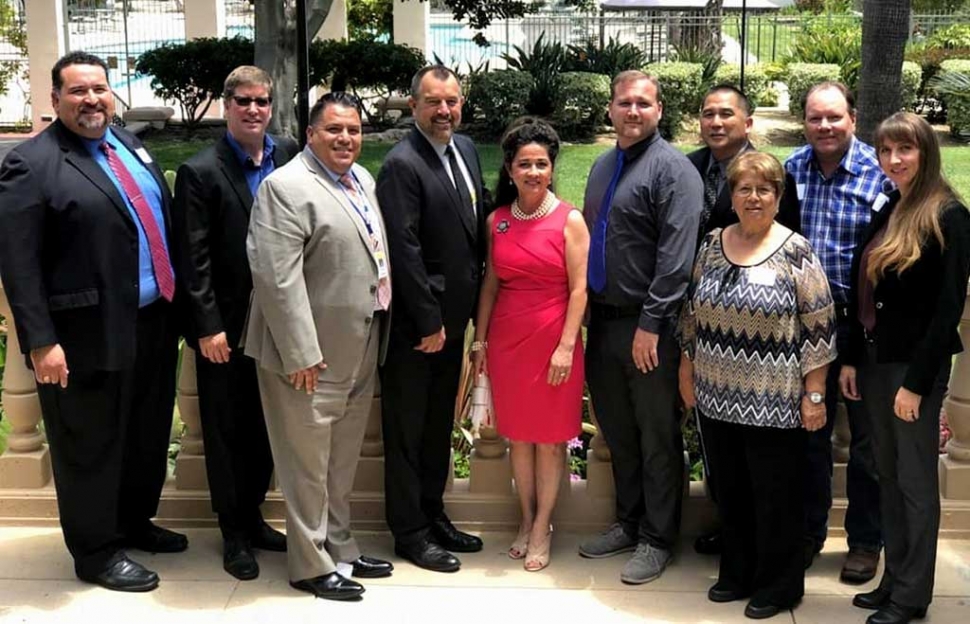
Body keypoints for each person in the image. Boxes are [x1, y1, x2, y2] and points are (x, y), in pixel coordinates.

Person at [0, 51, 185, 592]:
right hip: (83, 331)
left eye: (100, 89)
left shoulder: (128, 144)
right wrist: (40, 341)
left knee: (145, 434)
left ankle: (132, 522)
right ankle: (97, 551)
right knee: (90, 441)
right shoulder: (30, 164)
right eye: (77, 91)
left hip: (151, 319)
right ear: (54, 99)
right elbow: (18, 262)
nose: (92, 100)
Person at [243, 92, 394, 601]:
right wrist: (300, 352)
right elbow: (275, 278)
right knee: (305, 462)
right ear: (310, 134)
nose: (346, 139)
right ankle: (309, 563)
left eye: (353, 130)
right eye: (333, 130)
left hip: (359, 341)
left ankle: (340, 545)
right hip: (308, 355)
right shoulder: (284, 188)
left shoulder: (362, 179)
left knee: (340, 459)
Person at [679, 151, 836, 620]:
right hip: (715, 395)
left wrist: (814, 394)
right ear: (732, 194)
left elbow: (820, 330)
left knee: (776, 496)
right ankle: (737, 571)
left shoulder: (796, 251)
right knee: (729, 490)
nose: (753, 198)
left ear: (778, 196)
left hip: (775, 399)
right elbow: (691, 315)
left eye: (763, 190)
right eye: (744, 189)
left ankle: (779, 585)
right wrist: (687, 370)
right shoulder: (711, 244)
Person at [840, 112, 970, 624]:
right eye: (886, 151)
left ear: (926, 153)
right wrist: (853, 355)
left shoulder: (949, 216)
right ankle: (894, 580)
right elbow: (864, 287)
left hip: (911, 371)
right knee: (886, 476)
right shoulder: (892, 204)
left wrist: (916, 385)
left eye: (905, 150)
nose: (894, 160)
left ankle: (913, 595)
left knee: (914, 483)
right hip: (875, 363)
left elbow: (946, 313)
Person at [172, 65, 298, 580]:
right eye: (243, 101)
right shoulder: (201, 172)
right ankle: (234, 534)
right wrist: (207, 326)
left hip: (282, 324)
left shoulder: (288, 155)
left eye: (262, 101)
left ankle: (256, 516)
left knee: (269, 426)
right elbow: (192, 257)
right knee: (227, 430)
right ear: (226, 106)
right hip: (226, 327)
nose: (253, 110)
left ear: (272, 106)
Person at [579, 70, 703, 584]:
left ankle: (657, 537)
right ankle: (628, 522)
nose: (633, 112)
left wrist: (652, 325)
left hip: (646, 327)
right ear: (610, 109)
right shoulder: (604, 165)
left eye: (644, 104)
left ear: (659, 111)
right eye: (624, 103)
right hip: (603, 322)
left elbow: (676, 260)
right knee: (619, 432)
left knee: (655, 435)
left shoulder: (674, 172)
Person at [376, 65, 487, 573]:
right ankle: (409, 531)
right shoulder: (402, 164)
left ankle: (433, 512)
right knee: (408, 430)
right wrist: (427, 322)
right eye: (433, 102)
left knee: (437, 425)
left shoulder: (462, 150)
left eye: (452, 101)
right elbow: (404, 250)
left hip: (454, 323)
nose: (445, 111)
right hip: (418, 330)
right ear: (414, 106)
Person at [687, 84, 801, 556]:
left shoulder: (770, 176)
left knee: (765, 463)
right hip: (703, 326)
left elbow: (787, 244)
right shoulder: (689, 167)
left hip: (763, 347)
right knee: (719, 448)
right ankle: (732, 531)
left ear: (748, 122)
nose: (716, 122)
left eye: (727, 114)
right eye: (709, 114)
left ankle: (769, 545)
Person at [470, 118, 589, 572]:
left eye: (541, 163)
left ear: (552, 169)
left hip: (554, 340)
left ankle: (543, 526)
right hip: (508, 342)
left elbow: (579, 291)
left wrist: (564, 346)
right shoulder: (497, 222)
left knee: (550, 441)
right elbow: (490, 286)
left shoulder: (569, 220)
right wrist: (479, 343)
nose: (533, 171)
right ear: (510, 169)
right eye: (525, 164)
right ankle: (525, 519)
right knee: (518, 437)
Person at [785, 81, 886, 581]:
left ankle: (865, 541)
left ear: (853, 116)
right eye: (814, 118)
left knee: (867, 441)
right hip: (803, 327)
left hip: (863, 322)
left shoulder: (880, 171)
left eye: (833, 117)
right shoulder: (790, 171)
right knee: (809, 437)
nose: (823, 127)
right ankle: (808, 533)